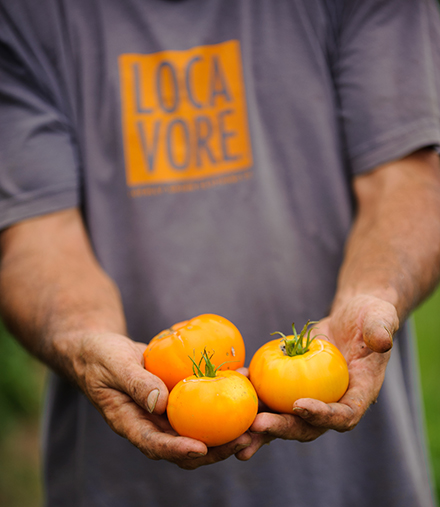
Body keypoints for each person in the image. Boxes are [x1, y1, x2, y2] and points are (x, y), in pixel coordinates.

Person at [1, 0, 440, 505]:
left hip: (354, 481)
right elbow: (35, 234)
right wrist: (83, 337)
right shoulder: (25, 13)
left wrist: (372, 295)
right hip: (124, 484)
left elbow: (407, 178)